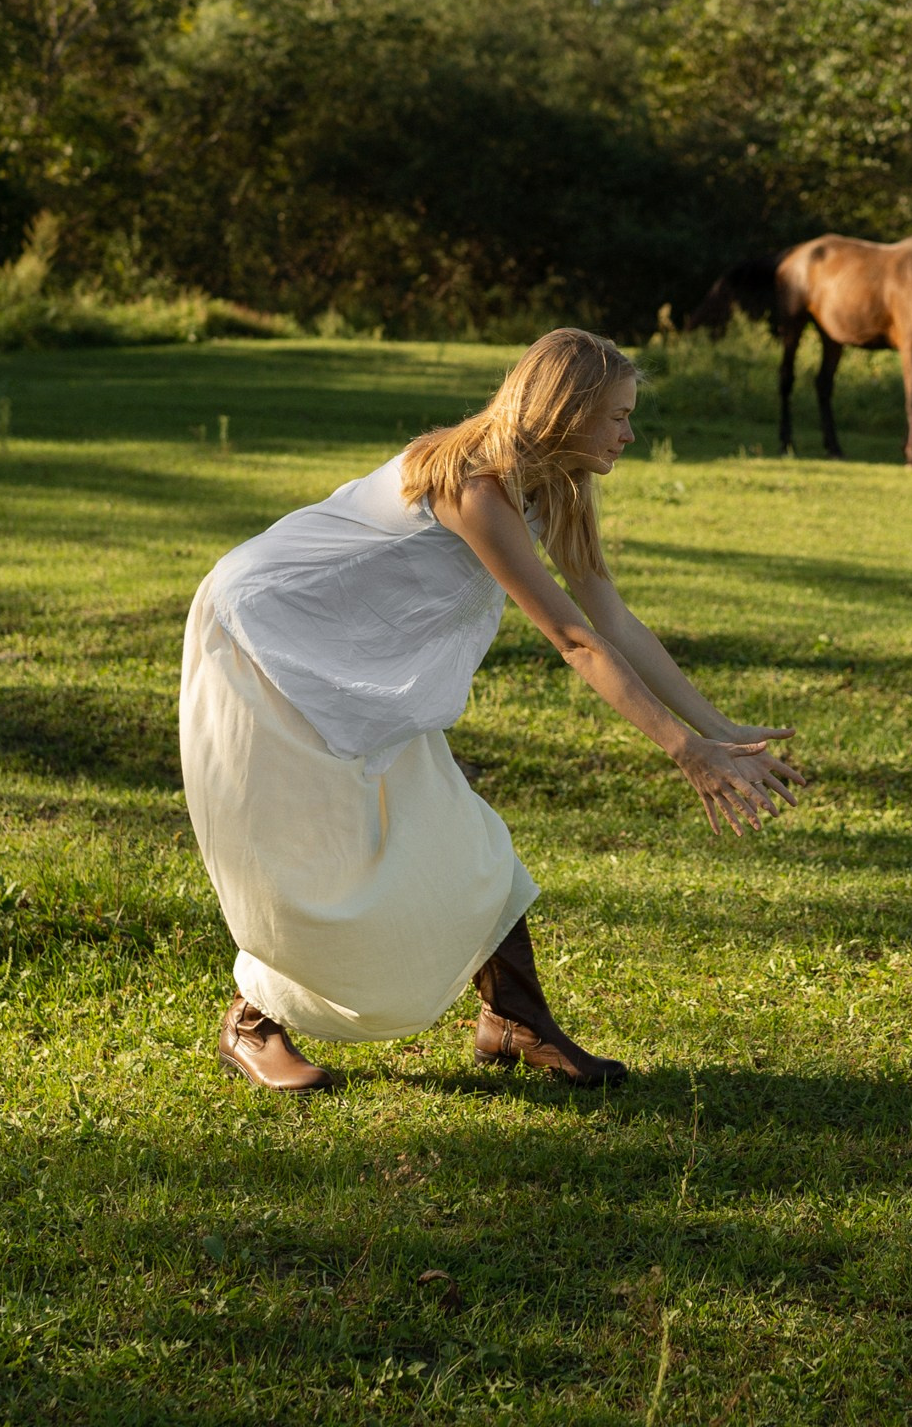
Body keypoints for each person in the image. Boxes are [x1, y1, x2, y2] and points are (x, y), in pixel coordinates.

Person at [180, 328, 803, 1093]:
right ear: (566, 409)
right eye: (616, 416)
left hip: (359, 662)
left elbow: (610, 616)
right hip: (263, 637)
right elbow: (574, 640)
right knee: (311, 851)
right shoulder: (473, 482)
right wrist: (681, 750)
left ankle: (514, 1019)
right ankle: (251, 1022)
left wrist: (718, 730)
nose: (629, 434)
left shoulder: (562, 483)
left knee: (460, 836)